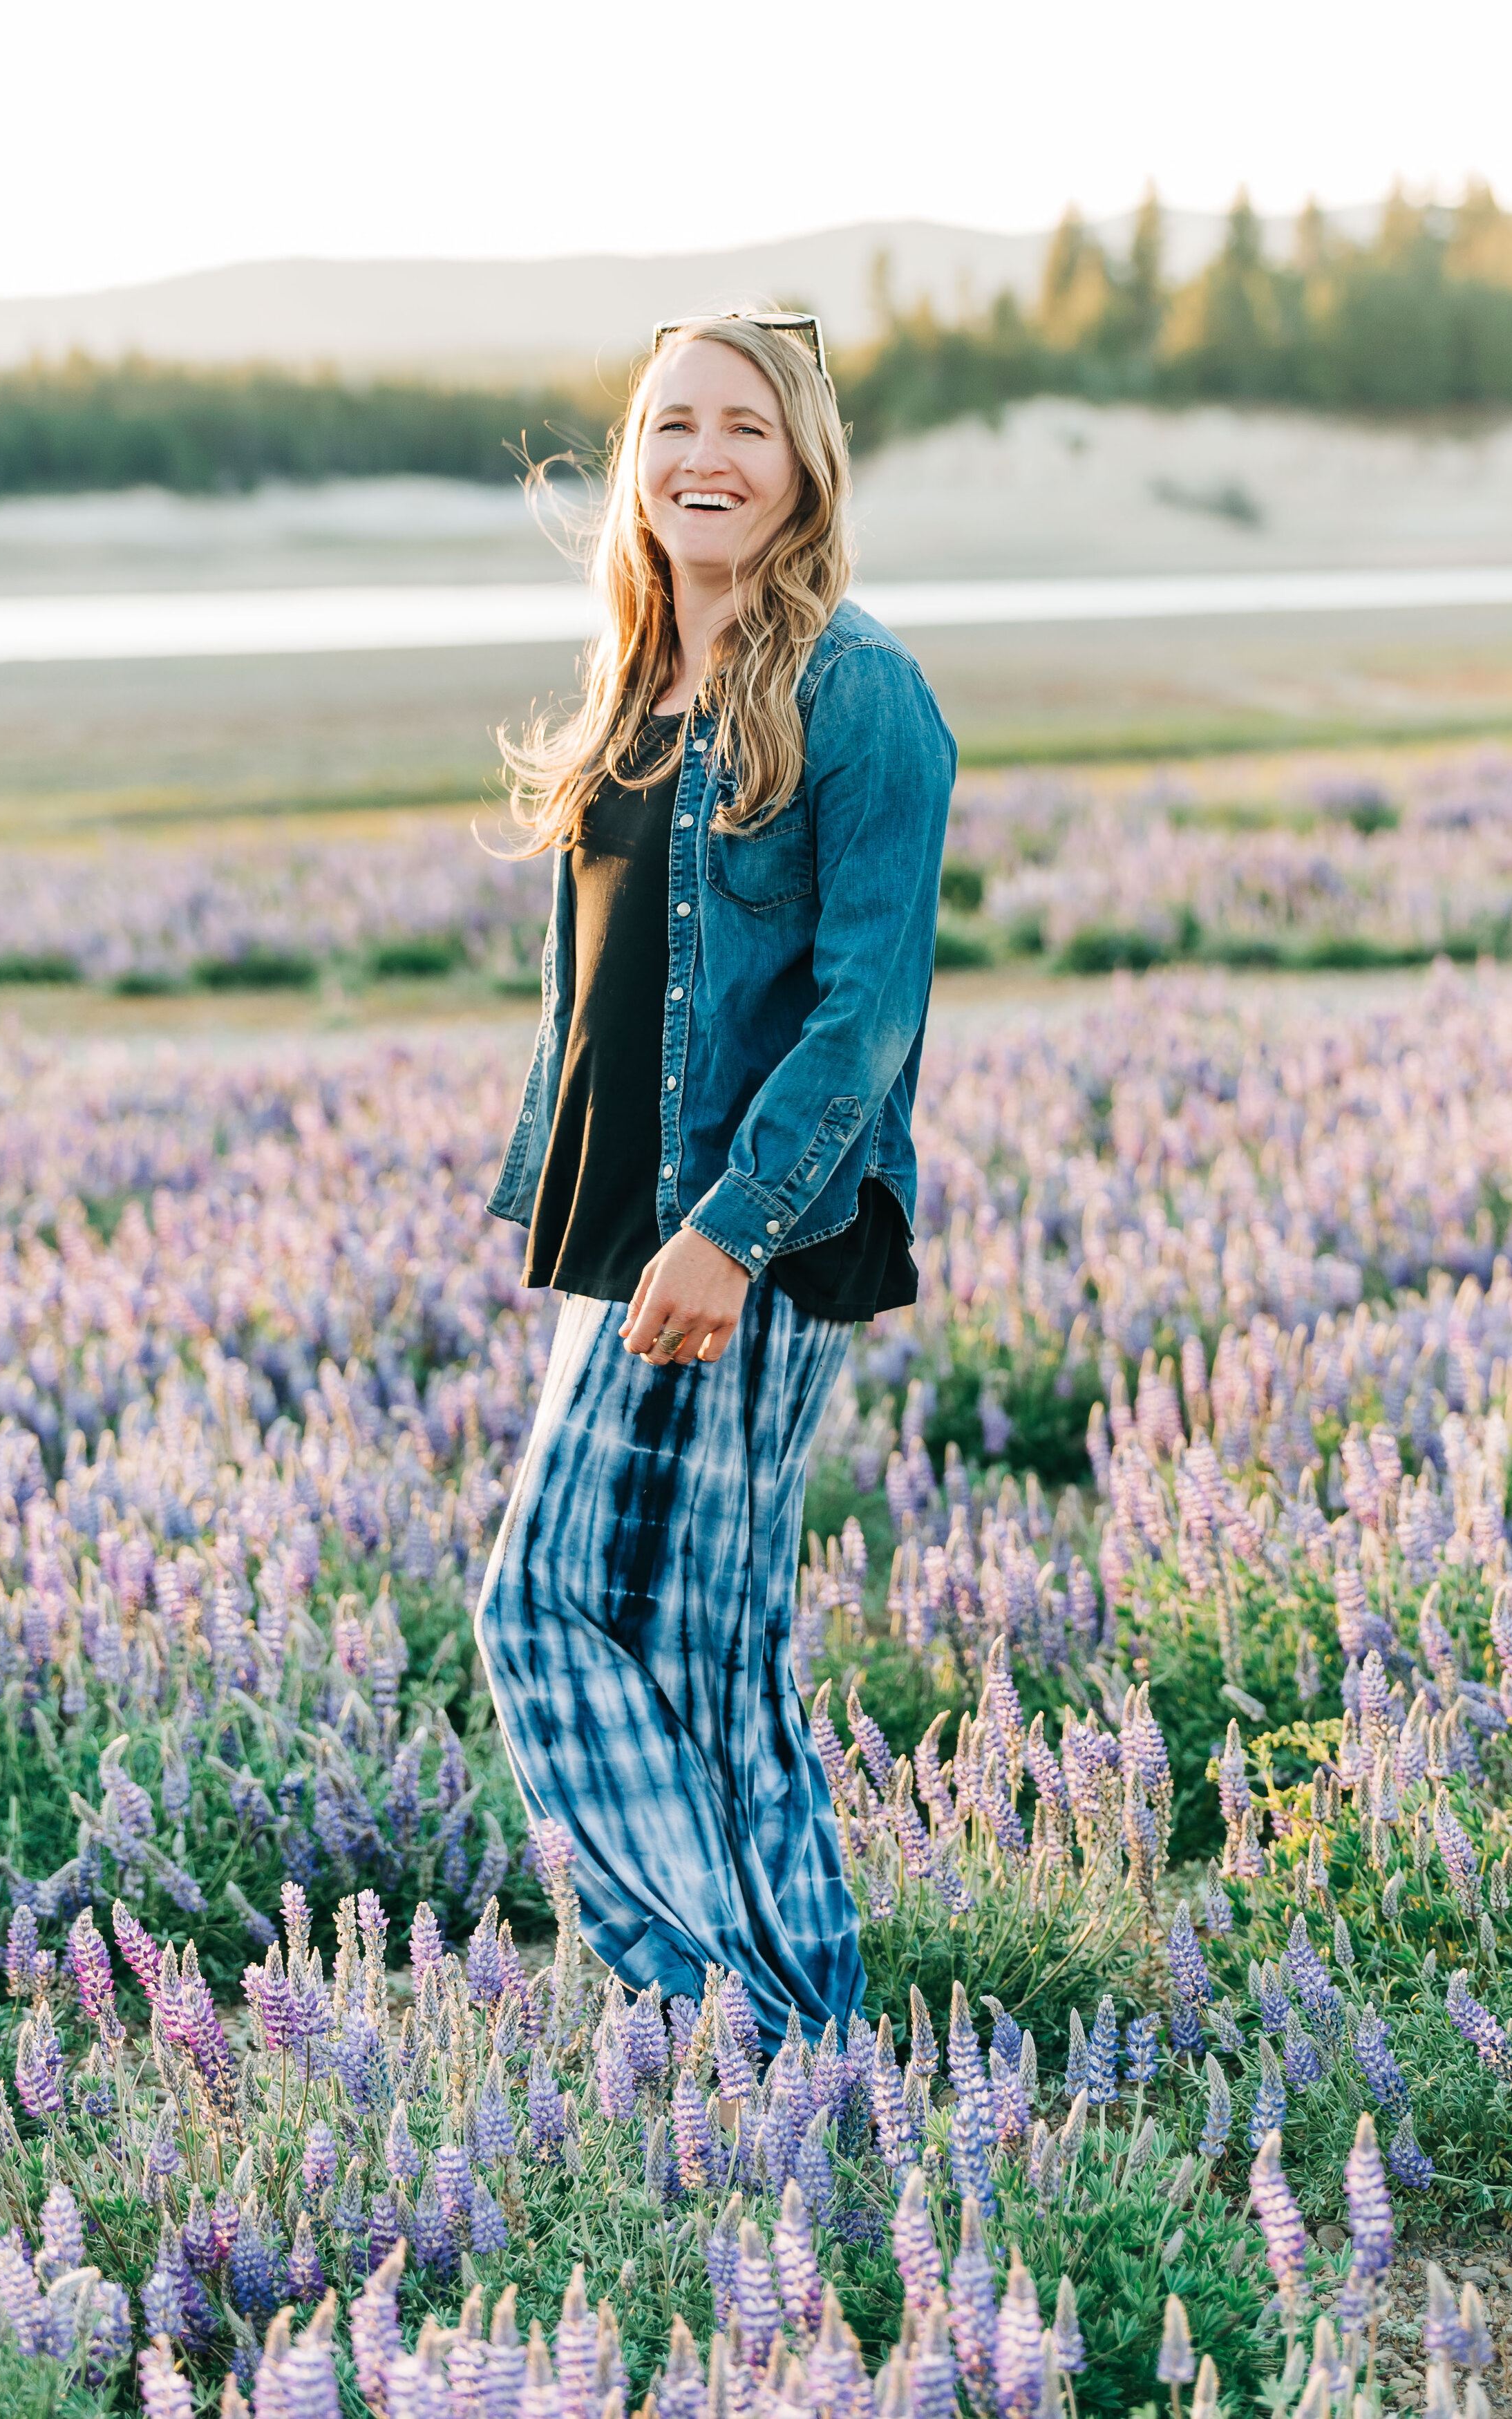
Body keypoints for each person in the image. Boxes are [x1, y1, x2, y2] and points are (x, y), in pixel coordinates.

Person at [475, 309, 955, 2051]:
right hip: (632, 1231)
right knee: (707, 1651)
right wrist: (588, 1208)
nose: (704, 455)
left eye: (745, 426)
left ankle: (719, 2009)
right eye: (672, 422)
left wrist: (730, 1234)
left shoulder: (855, 686)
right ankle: (804, 2020)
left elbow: (864, 1016)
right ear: (632, 460)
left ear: (805, 462)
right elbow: (598, 986)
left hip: (750, 1227)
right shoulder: (640, 675)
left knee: (541, 1607)